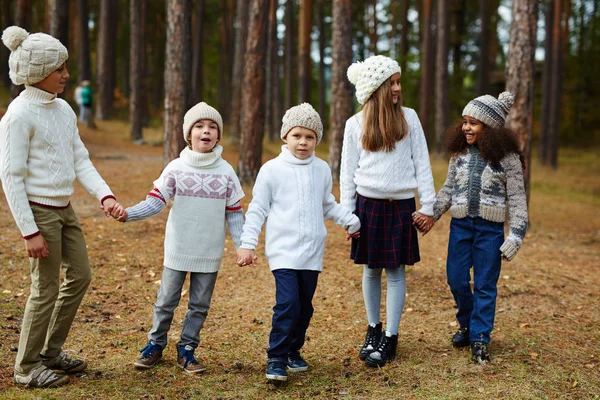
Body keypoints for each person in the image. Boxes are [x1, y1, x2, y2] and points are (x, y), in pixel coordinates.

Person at [0, 26, 124, 388]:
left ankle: (50, 353)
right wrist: (30, 231)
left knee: (81, 276)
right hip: (39, 213)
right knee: (45, 289)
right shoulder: (18, 116)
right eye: (59, 69)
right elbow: (11, 177)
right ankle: (26, 368)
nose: (66, 75)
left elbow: (80, 159)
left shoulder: (65, 109)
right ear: (38, 73)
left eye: (65, 67)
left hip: (65, 209)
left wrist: (106, 195)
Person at [114, 102, 245, 374]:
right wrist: (127, 214)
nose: (205, 131)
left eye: (212, 127)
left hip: (209, 251)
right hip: (178, 247)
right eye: (199, 126)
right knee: (166, 301)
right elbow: (155, 202)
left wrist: (243, 245)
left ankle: (187, 349)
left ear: (218, 136)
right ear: (189, 134)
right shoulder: (175, 168)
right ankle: (154, 345)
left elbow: (234, 213)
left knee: (199, 305)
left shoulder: (226, 172)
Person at [236, 103, 361, 382]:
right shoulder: (271, 170)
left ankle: (294, 350)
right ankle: (277, 357)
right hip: (283, 250)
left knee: (305, 306)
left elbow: (327, 204)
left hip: (312, 252)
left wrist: (350, 221)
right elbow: (258, 209)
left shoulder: (321, 169)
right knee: (288, 303)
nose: (303, 142)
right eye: (297, 135)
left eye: (309, 136)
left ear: (317, 139)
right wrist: (248, 244)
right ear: (285, 136)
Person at [340, 55, 436, 368]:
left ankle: (391, 337)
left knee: (395, 272)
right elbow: (347, 172)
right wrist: (348, 214)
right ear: (377, 88)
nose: (397, 88)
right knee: (370, 269)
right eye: (392, 83)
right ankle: (373, 328)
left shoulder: (409, 118)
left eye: (398, 82)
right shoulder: (354, 124)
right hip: (367, 207)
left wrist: (429, 206)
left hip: (401, 207)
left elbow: (422, 163)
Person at [418, 91, 528, 364]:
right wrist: (431, 214)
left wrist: (515, 235)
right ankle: (466, 324)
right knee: (456, 278)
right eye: (464, 121)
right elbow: (448, 190)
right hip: (461, 227)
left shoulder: (509, 159)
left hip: (490, 231)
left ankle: (479, 337)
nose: (466, 127)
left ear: (489, 128)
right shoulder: (460, 155)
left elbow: (517, 198)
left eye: (473, 123)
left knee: (485, 284)